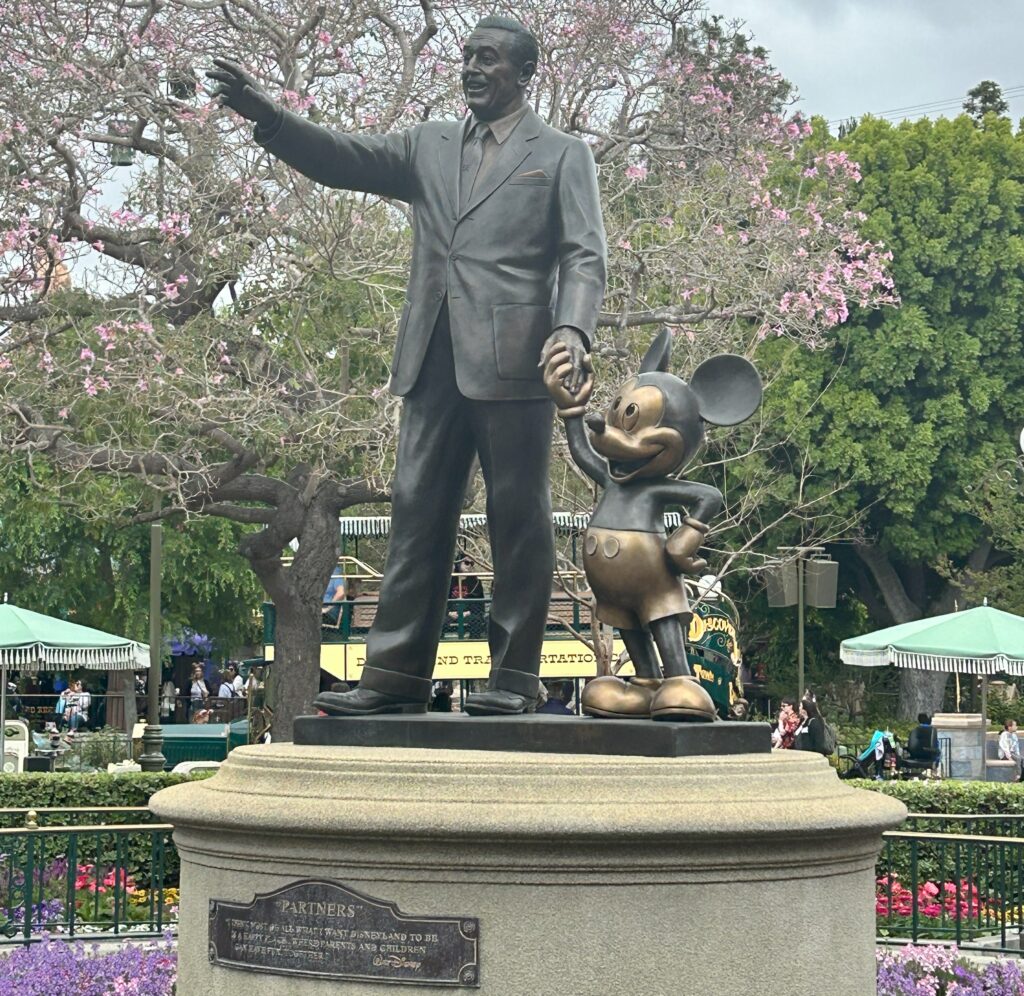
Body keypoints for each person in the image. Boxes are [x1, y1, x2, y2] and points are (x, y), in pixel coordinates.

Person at [209, 14, 606, 718]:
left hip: (517, 361)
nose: (472, 69)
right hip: (431, 355)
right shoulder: (429, 144)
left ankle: (513, 678)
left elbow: (583, 255)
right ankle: (393, 677)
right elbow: (342, 159)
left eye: (488, 59)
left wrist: (572, 329)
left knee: (517, 517)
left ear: (524, 72)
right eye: (467, 58)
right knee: (418, 509)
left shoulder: (563, 153)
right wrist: (266, 115)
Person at [447, 555, 485, 635]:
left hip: (467, 612)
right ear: (458, 563)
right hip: (451, 613)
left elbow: (479, 603)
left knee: (476, 620)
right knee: (438, 621)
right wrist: (449, 613)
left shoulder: (475, 582)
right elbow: (442, 600)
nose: (469, 565)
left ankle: (474, 643)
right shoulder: (449, 580)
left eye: (471, 563)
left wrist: (468, 612)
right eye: (466, 563)